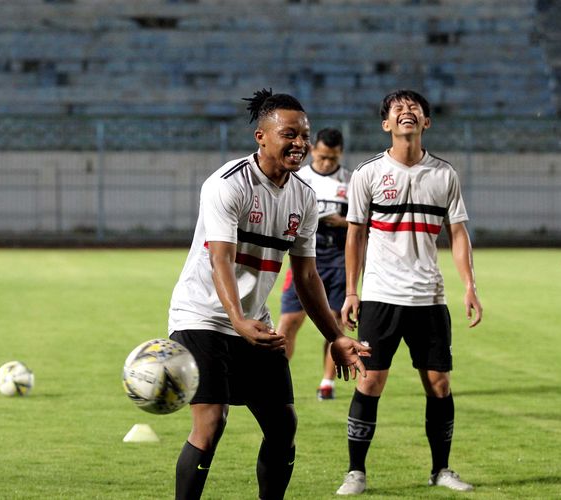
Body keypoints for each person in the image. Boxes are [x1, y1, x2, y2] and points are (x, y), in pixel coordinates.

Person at [167, 88, 371, 500]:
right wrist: (237, 320)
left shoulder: (303, 196)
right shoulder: (227, 185)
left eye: (304, 135)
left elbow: (308, 276)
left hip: (253, 322)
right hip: (201, 316)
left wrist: (335, 337)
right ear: (261, 136)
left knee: (283, 426)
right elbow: (219, 260)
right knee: (211, 425)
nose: (300, 144)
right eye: (289, 134)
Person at [335, 89, 483, 495]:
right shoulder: (367, 173)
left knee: (439, 385)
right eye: (397, 109)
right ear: (386, 125)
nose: (406, 112)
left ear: (426, 123)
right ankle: (356, 472)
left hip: (430, 299)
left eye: (414, 109)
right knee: (370, 383)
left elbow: (457, 233)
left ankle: (441, 470)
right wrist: (352, 291)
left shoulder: (444, 175)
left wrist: (469, 286)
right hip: (381, 297)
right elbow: (355, 236)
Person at [277, 127, 350, 400]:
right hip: (304, 259)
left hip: (339, 262)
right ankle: (275, 379)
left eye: (332, 158)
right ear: (313, 151)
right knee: (288, 323)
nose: (327, 163)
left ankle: (327, 383)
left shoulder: (351, 182)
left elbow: (361, 225)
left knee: (334, 322)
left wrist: (342, 222)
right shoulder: (298, 177)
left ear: (340, 153)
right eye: (322, 157)